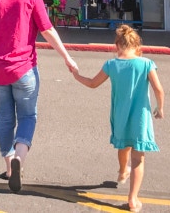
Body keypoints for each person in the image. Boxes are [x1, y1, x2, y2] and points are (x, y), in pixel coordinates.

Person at [0, 0, 77, 194]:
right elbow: (48, 31)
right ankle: (19, 157)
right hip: (24, 69)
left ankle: (10, 168)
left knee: (4, 118)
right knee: (28, 116)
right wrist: (67, 57)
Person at [71, 24, 165, 213]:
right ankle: (132, 198)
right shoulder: (146, 63)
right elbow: (158, 89)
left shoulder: (111, 65)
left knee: (124, 146)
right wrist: (160, 108)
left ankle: (122, 171)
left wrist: (76, 75)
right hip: (141, 117)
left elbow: (92, 83)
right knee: (138, 157)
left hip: (120, 115)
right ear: (137, 46)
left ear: (117, 45)